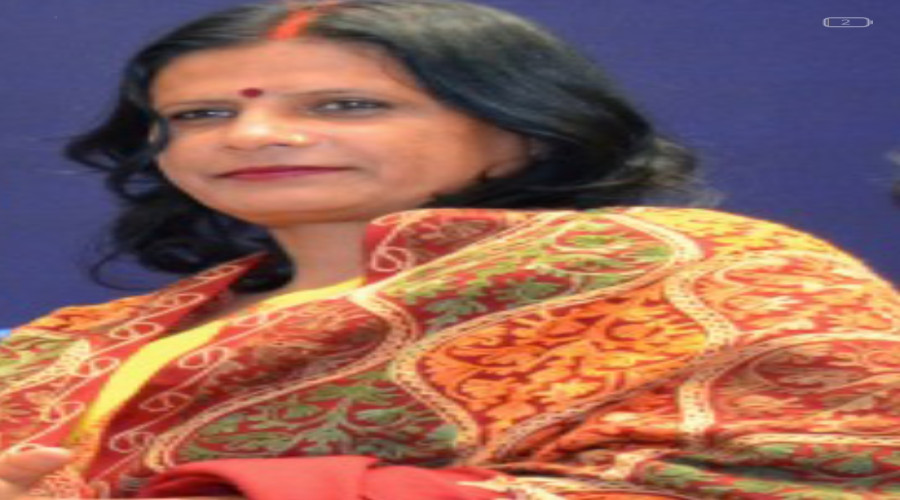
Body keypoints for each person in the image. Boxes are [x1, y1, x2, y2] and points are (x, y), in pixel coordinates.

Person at [2, 1, 899, 498]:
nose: (253, 135)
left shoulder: (704, 267)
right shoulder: (63, 342)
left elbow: (826, 474)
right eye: (200, 115)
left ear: (522, 134)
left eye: (345, 106)